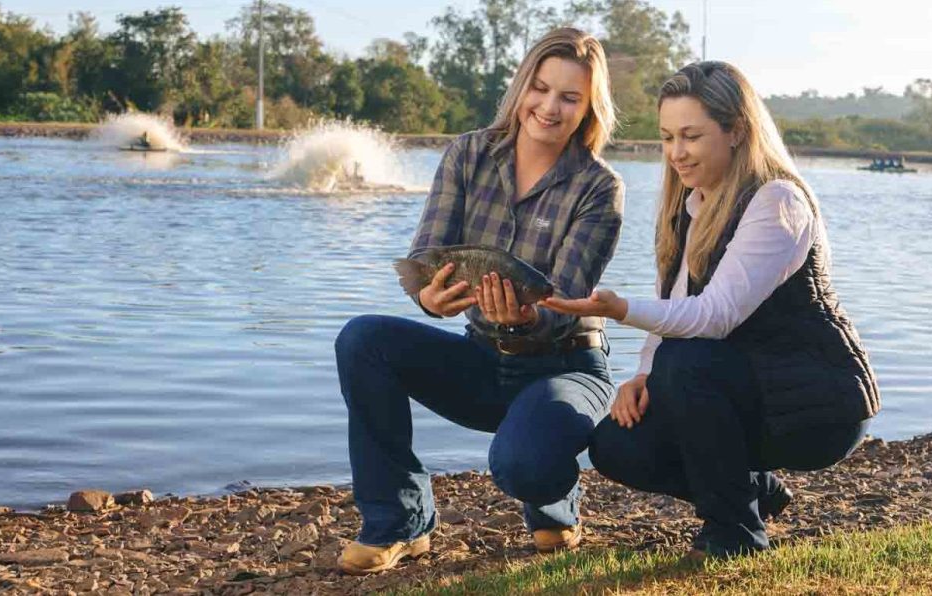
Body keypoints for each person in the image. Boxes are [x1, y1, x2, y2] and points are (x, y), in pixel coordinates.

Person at [541, 61, 880, 559]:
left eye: (692, 136)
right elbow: (676, 304)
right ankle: (752, 492)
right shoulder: (690, 204)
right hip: (738, 392)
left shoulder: (778, 201)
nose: (676, 153)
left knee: (686, 361)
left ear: (737, 131)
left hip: (818, 405)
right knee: (617, 445)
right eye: (667, 137)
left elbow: (713, 316)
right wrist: (642, 375)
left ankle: (735, 535)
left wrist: (618, 309)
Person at [334, 27, 623, 575]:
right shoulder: (467, 153)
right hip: (481, 356)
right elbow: (424, 260)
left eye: (570, 97)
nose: (549, 107)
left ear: (589, 108)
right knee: (362, 340)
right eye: (540, 88)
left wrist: (524, 319)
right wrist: (431, 300)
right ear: (521, 87)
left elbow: (564, 300)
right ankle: (398, 523)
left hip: (566, 366)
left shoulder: (599, 187)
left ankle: (554, 502)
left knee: (522, 465)